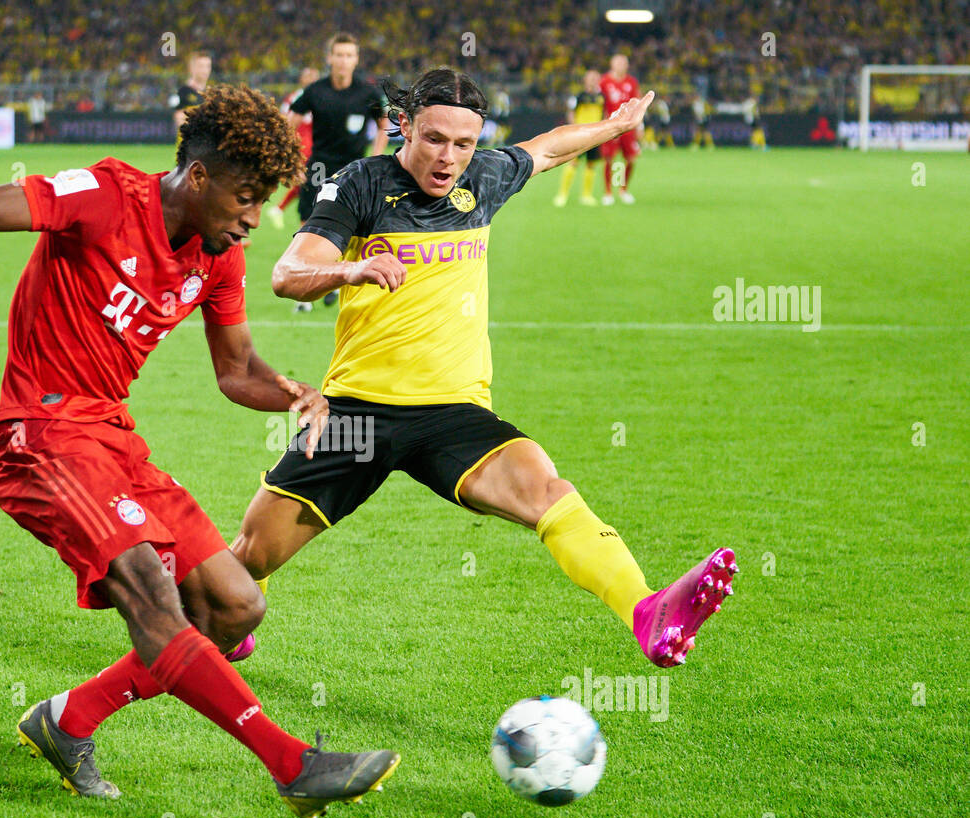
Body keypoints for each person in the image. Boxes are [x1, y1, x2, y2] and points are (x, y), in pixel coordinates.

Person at [0, 85, 399, 818]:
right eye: (245, 196)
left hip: (112, 439)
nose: (252, 217)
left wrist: (295, 391)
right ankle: (292, 762)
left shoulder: (218, 257)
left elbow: (236, 371)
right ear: (198, 177)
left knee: (236, 605)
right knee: (153, 594)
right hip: (37, 436)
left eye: (264, 200)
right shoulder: (106, 195)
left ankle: (68, 718)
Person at [230, 67, 737, 672]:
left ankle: (647, 610)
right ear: (405, 127)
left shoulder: (484, 179)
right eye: (435, 139)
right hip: (359, 412)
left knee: (549, 491)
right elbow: (287, 275)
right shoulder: (362, 183)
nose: (449, 158)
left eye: (464, 143)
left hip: (453, 411)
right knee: (249, 562)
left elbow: (546, 147)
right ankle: (224, 618)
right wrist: (350, 270)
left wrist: (614, 125)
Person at [286, 32, 389, 309]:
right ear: (330, 58)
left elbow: (384, 122)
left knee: (355, 229)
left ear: (356, 59)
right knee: (307, 223)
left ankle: (335, 279)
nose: (343, 61)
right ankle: (305, 293)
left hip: (353, 171)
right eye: (339, 55)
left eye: (349, 55)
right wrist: (293, 161)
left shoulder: (366, 92)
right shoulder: (316, 90)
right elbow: (289, 124)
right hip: (318, 166)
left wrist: (376, 157)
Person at [266, 66, 320, 230]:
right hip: (302, 148)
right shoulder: (295, 98)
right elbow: (284, 122)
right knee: (307, 183)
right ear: (302, 79)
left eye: (314, 76)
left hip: (317, 148)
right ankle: (304, 224)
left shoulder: (321, 97)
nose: (311, 79)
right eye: (308, 76)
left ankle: (280, 209)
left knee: (310, 184)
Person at [553, 70, 603, 207]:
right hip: (580, 134)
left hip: (595, 135)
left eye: (595, 78)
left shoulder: (601, 97)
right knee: (573, 162)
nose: (593, 80)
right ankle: (562, 194)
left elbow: (603, 114)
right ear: (585, 80)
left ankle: (586, 196)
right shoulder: (579, 96)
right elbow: (570, 112)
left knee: (591, 164)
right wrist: (573, 129)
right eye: (591, 78)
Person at [600, 54, 641, 204]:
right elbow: (600, 103)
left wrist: (640, 125)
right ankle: (608, 192)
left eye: (624, 63)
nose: (621, 65)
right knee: (609, 158)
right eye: (618, 62)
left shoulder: (631, 82)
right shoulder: (604, 81)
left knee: (630, 159)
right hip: (611, 125)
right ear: (612, 64)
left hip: (628, 126)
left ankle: (623, 189)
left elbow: (638, 104)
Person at [170, 51, 211, 132]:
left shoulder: (210, 93)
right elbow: (179, 118)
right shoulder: (184, 92)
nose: (205, 70)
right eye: (201, 66)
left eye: (208, 66)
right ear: (192, 68)